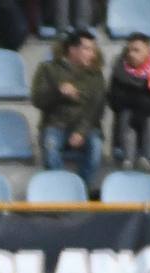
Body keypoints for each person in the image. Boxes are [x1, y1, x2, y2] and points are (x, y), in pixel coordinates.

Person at [31, 29, 106, 190]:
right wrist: (58, 92)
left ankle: (81, 189)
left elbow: (97, 108)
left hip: (87, 127)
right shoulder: (47, 69)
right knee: (50, 146)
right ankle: (62, 190)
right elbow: (37, 100)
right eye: (87, 49)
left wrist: (81, 131)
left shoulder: (96, 74)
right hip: (55, 125)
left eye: (92, 50)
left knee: (96, 147)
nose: (91, 54)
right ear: (72, 50)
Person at [108, 33, 150, 171]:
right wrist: (140, 102)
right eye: (129, 50)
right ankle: (128, 160)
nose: (131, 54)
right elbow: (114, 99)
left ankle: (149, 160)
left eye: (136, 50)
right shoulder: (119, 72)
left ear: (148, 51)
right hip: (128, 119)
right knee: (127, 114)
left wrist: (145, 106)